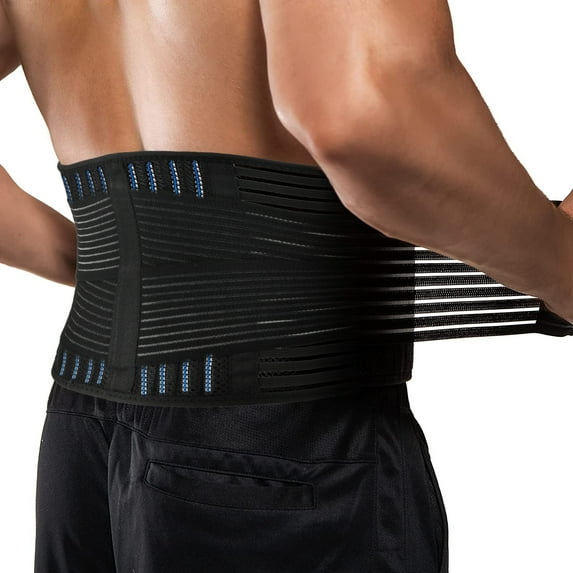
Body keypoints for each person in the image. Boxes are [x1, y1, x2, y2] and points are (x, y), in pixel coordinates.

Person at [1, 1, 572, 572]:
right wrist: (562, 270)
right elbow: (361, 114)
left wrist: (123, 272)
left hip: (84, 432)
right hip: (268, 444)